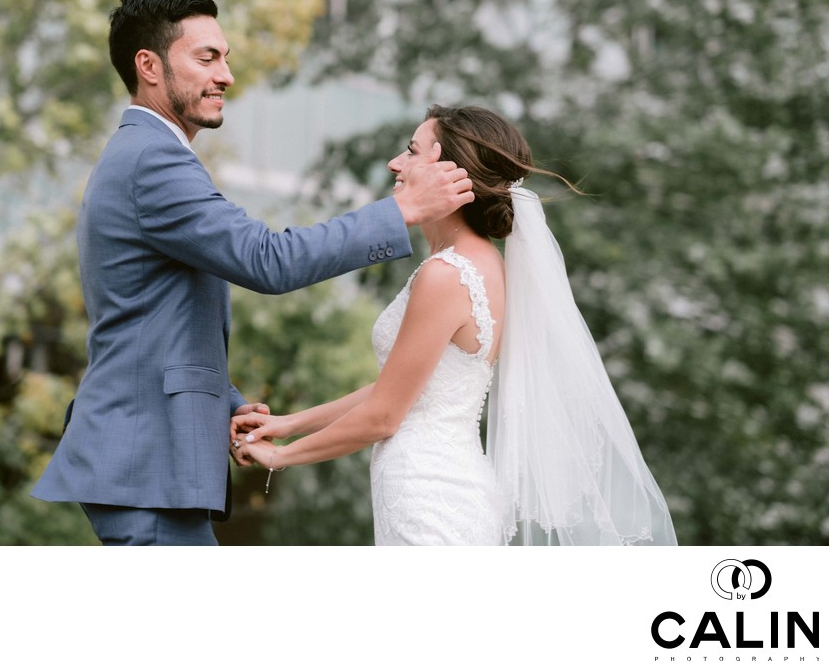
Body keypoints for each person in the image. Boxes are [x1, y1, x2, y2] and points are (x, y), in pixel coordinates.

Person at [30, 0, 474, 546]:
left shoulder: (149, 155)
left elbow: (152, 319)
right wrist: (402, 211)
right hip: (146, 461)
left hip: (150, 460)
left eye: (226, 58)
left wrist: (226, 400)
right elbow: (268, 260)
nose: (226, 77)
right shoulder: (153, 159)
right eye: (206, 58)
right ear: (148, 65)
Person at [234, 104, 678, 546]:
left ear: (449, 172)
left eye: (411, 151)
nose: (395, 163)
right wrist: (288, 423)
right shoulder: (482, 266)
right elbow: (404, 389)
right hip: (447, 484)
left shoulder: (446, 275)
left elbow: (385, 415)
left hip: (428, 498)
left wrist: (280, 456)